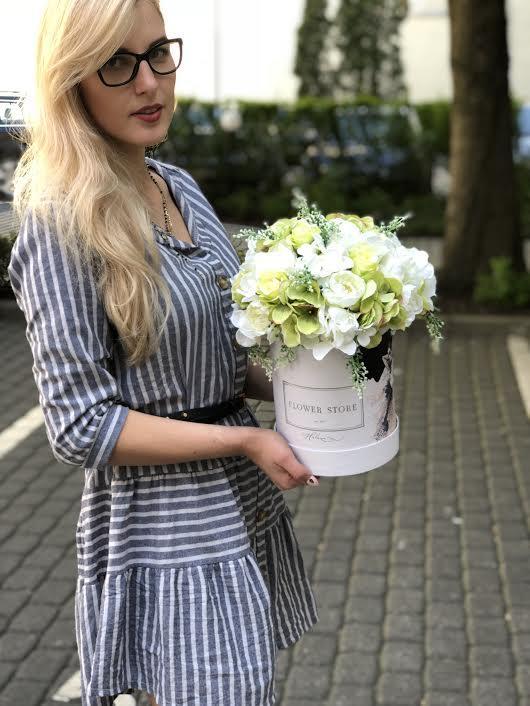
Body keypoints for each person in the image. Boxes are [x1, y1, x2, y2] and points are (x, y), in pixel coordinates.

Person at [7, 1, 320, 704]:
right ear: (74, 80)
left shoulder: (176, 186)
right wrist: (241, 442)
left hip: (237, 507)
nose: (149, 81)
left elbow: (221, 352)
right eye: (118, 63)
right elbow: (78, 425)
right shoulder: (60, 223)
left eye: (158, 53)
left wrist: (326, 379)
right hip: (164, 531)